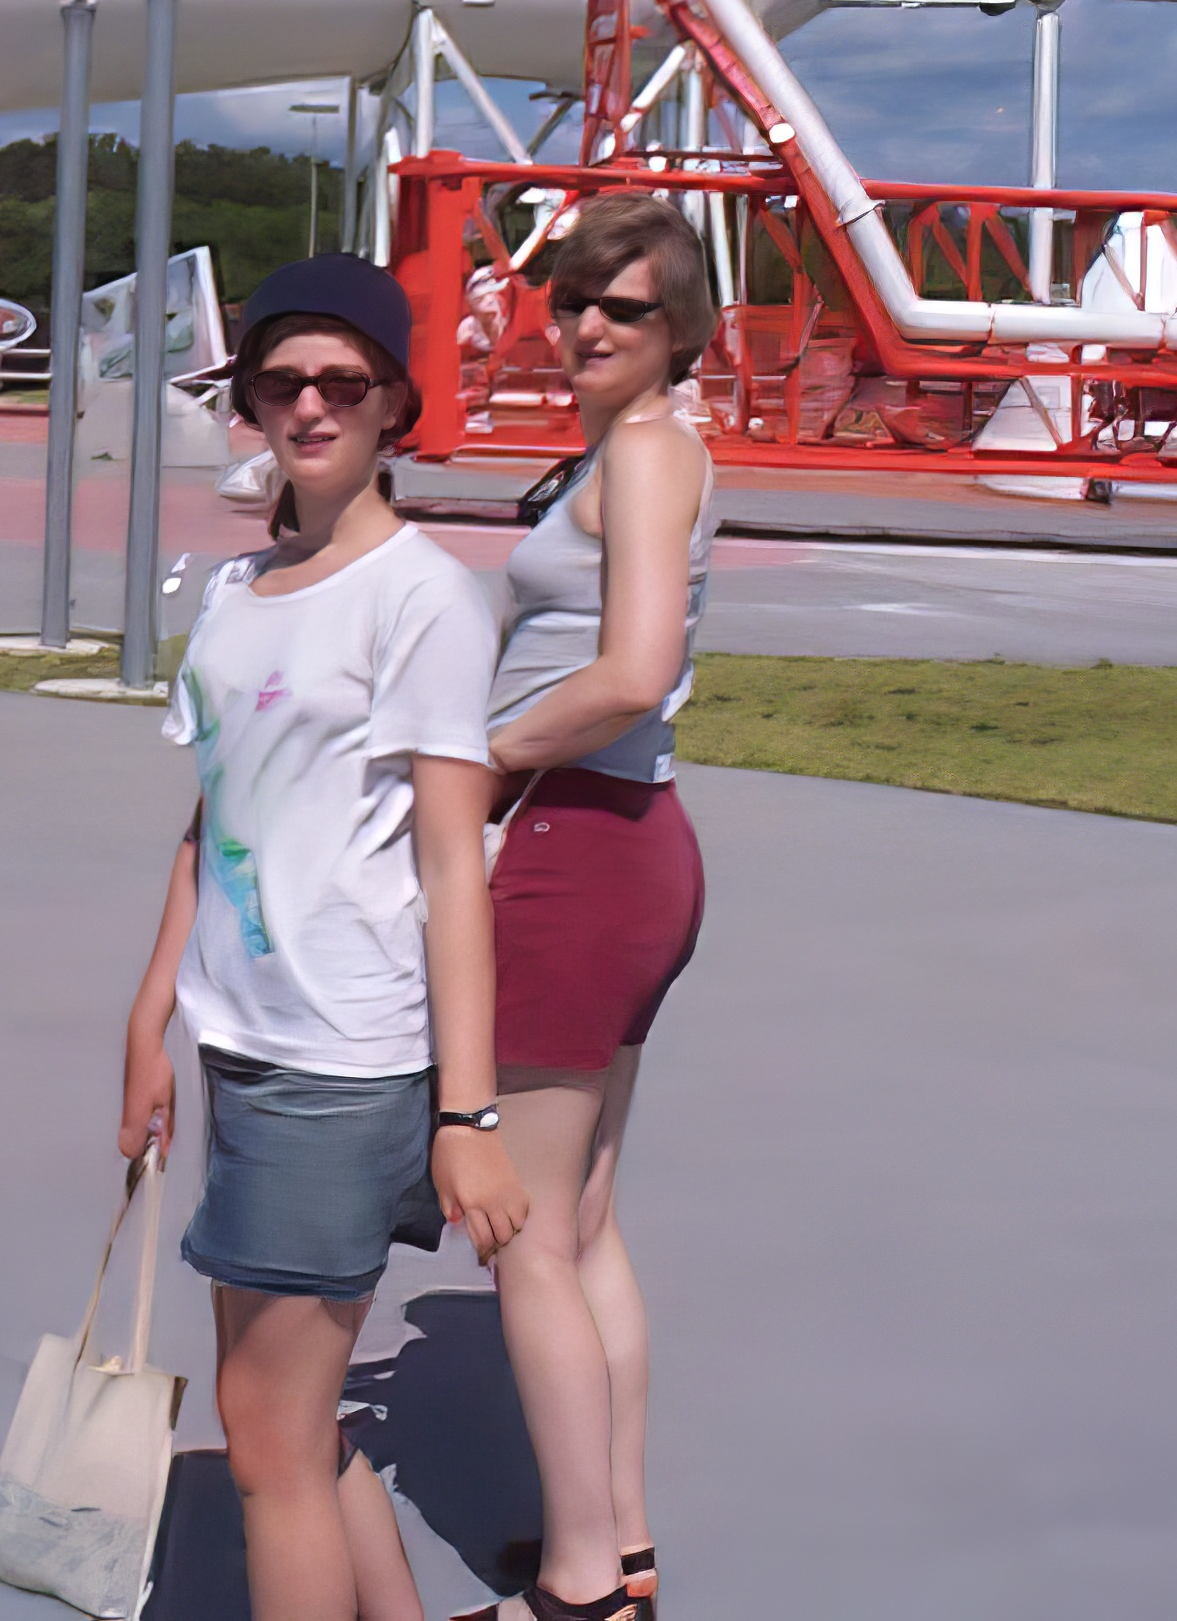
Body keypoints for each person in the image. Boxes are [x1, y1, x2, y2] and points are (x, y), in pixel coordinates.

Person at [119, 254, 528, 1621]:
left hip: (343, 1058)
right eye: (281, 380)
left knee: (265, 1436)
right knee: (287, 1415)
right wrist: (149, 1014)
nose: (309, 405)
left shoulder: (424, 598)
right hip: (240, 1040)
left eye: (341, 381)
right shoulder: (243, 590)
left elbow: (453, 868)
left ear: (393, 403)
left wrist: (466, 1110)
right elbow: (213, 810)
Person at [467, 196, 720, 1618]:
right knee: (585, 1221)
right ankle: (615, 1541)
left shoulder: (642, 449)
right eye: (571, 300)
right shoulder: (643, 447)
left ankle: (580, 1581)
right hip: (631, 838)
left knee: (523, 1228)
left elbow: (629, 670)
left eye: (620, 308)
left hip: (583, 841)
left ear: (677, 325)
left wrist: (481, 764)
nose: (584, 328)